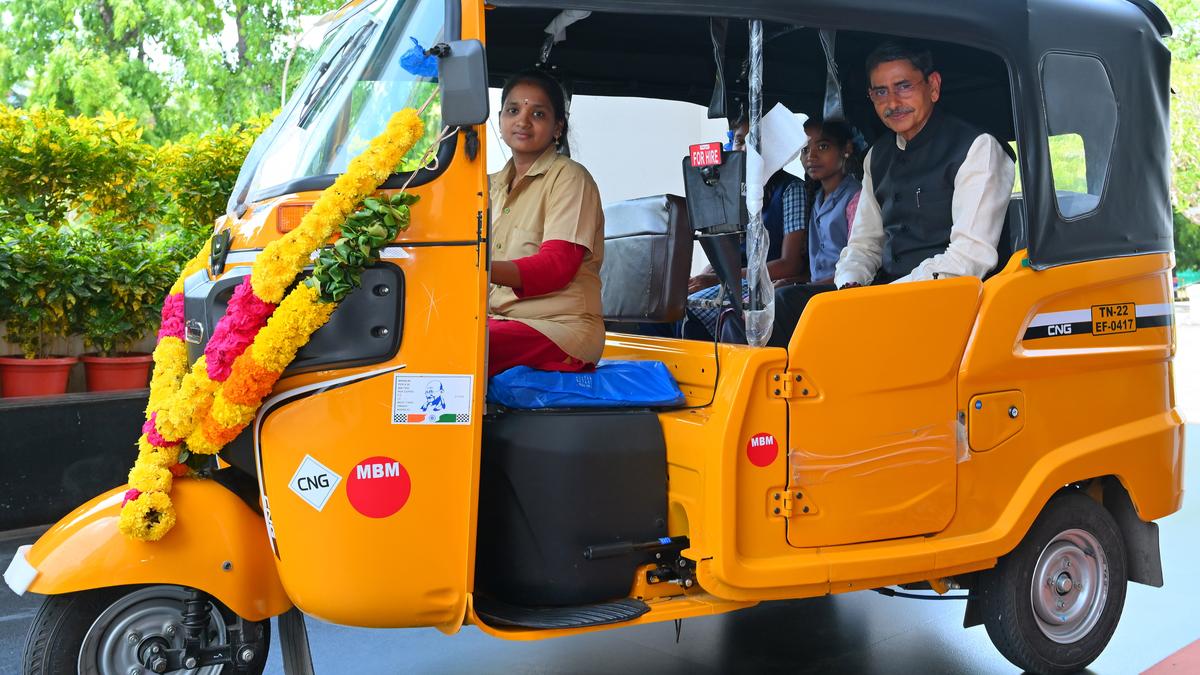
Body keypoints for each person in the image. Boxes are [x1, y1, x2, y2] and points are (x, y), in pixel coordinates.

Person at [748, 40, 1015, 346]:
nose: (892, 102)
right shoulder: (877, 155)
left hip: (948, 304)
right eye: (880, 92)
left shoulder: (977, 148)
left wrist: (884, 298)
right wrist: (849, 285)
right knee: (785, 305)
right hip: (885, 294)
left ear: (933, 86)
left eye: (903, 86)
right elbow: (865, 243)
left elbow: (970, 257)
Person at [487, 69, 605, 377]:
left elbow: (557, 266)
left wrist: (477, 268)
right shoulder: (488, 186)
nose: (523, 121)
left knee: (455, 345)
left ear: (557, 128)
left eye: (537, 113)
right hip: (496, 320)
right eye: (513, 110)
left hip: (557, 329)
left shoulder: (570, 178)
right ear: (500, 120)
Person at [684, 114, 810, 340]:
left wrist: (723, 279)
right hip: (737, 278)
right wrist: (710, 273)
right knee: (674, 304)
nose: (745, 150)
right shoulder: (732, 192)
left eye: (755, 143)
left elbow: (790, 264)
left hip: (767, 282)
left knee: (694, 310)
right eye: (740, 141)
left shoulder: (791, 189)